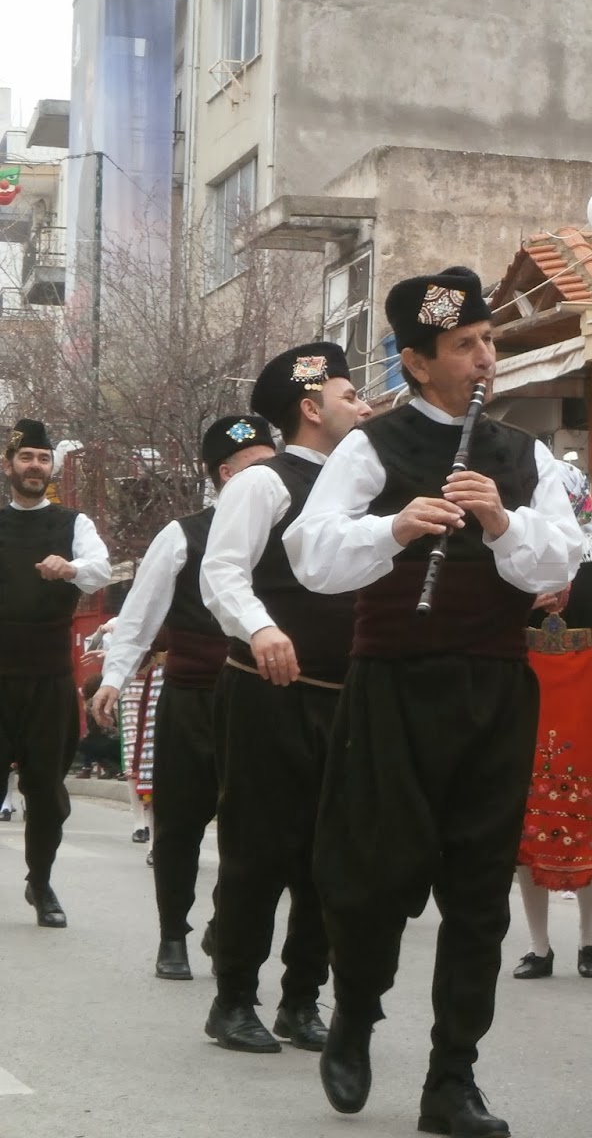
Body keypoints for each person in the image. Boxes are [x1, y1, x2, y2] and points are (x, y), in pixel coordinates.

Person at [286, 266, 583, 1137]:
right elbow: (312, 555)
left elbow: (564, 558)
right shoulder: (371, 446)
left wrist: (501, 522)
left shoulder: (523, 454)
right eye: (464, 346)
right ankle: (354, 1014)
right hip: (393, 688)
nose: (485, 358)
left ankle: (452, 1077)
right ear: (417, 363)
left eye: (488, 341)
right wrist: (395, 527)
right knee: (373, 876)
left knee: (481, 893)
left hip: (494, 692)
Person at [200, 346, 370, 1055]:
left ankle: (302, 999)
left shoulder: (367, 486)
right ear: (310, 408)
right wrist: (262, 628)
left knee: (331, 857)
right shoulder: (264, 482)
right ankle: (234, 998)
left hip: (348, 696)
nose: (364, 405)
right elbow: (221, 571)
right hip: (268, 692)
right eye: (349, 395)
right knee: (259, 849)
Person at [89, 415, 277, 980]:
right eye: (255, 467)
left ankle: (225, 922)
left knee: (259, 827)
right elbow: (140, 615)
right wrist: (114, 678)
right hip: (193, 699)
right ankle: (173, 933)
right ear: (225, 474)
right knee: (178, 823)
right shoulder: (183, 534)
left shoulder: (292, 532)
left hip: (262, 699)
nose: (271, 477)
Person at [512, 455, 592, 982]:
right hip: (528, 688)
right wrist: (521, 608)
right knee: (527, 819)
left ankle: (589, 934)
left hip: (591, 686)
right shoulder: (517, 550)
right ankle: (539, 945)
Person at [0, 418, 113, 927]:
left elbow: (101, 569)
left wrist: (71, 568)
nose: (34, 466)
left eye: (43, 459)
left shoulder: (73, 523)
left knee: (46, 790)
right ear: (8, 465)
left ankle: (40, 882)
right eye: (25, 457)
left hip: (48, 676)